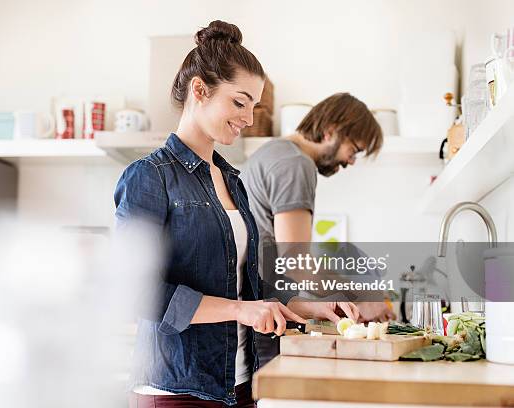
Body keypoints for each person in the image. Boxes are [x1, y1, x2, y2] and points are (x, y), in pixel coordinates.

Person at [115, 21, 357, 407]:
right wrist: (241, 310)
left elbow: (246, 287)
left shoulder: (233, 180)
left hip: (241, 384)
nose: (248, 117)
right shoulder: (150, 177)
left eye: (254, 106)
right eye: (239, 102)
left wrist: (304, 307)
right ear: (200, 90)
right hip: (179, 390)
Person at [241, 93, 396, 367]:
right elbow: (297, 264)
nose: (351, 161)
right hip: (270, 320)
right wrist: (362, 297)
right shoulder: (295, 164)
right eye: (354, 149)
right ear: (331, 131)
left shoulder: (272, 152)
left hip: (259, 313)